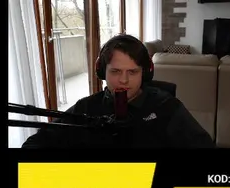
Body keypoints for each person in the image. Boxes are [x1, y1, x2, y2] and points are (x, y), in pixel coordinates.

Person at [22, 34, 215, 148]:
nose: (123, 80)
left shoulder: (166, 107)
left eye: (132, 72)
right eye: (115, 71)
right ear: (101, 71)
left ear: (145, 73)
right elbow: (36, 143)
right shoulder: (87, 107)